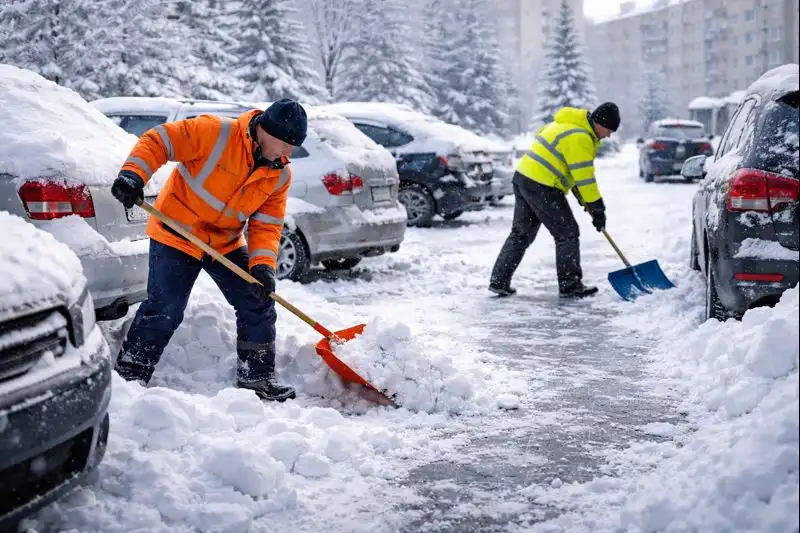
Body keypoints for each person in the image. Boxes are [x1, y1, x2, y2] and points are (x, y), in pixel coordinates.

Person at [110, 98, 308, 401]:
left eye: (292, 148)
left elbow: (266, 225)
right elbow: (159, 140)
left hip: (223, 242)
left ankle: (256, 377)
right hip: (177, 233)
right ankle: (130, 374)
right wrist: (133, 175)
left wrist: (262, 266)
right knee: (165, 309)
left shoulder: (279, 173)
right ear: (266, 132)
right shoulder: (216, 133)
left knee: (258, 299)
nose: (288, 153)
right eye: (285, 145)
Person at [488, 102, 620, 299]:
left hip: (523, 178)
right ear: (599, 123)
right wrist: (597, 208)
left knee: (521, 233)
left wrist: (587, 203)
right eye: (609, 130)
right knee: (567, 233)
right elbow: (584, 178)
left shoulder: (566, 125)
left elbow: (574, 174)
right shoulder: (581, 137)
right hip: (543, 185)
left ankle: (499, 280)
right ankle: (570, 286)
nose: (608, 136)